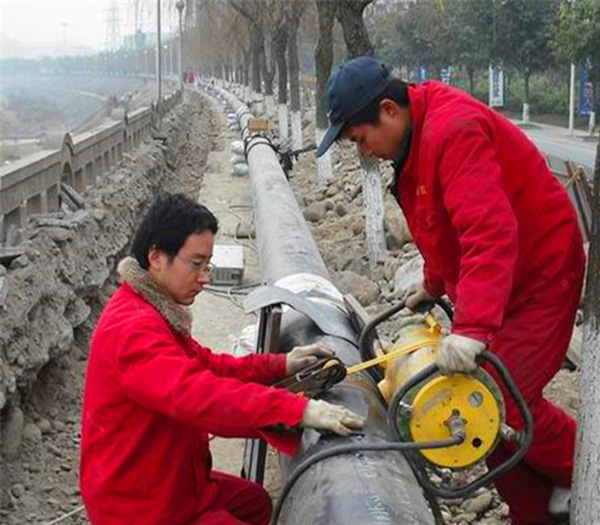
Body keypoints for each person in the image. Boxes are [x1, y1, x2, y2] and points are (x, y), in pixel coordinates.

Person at [316, 56, 585, 525]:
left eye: (360, 139)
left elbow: (488, 231)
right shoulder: (414, 141)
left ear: (388, 110)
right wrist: (434, 281)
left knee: (499, 400)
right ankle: (541, 513)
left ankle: (585, 482)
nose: (365, 151)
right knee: (482, 415)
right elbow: (442, 222)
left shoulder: (452, 130)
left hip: (540, 274)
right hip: (504, 281)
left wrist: (473, 328)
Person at [80, 193, 363, 525]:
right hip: (140, 506)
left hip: (170, 476)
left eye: (208, 265)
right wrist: (296, 410)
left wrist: (280, 364)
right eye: (196, 264)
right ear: (156, 257)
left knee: (255, 503)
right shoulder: (132, 330)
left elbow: (208, 365)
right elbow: (201, 395)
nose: (205, 277)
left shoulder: (151, 309)